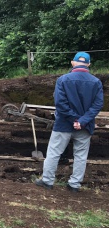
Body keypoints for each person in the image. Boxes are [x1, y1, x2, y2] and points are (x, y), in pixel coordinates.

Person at [35, 52, 104, 193]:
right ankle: (74, 185)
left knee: (54, 152)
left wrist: (74, 119)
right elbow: (97, 105)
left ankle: (47, 181)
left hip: (63, 125)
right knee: (80, 156)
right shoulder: (96, 82)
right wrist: (82, 121)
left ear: (73, 63)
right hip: (85, 127)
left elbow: (60, 103)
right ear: (89, 64)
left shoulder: (63, 80)